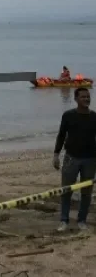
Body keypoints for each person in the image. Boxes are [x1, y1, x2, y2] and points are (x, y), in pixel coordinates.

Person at [53, 87, 96, 231]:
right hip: (71, 158)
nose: (86, 99)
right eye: (83, 97)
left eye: (88, 96)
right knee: (66, 191)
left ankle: (82, 220)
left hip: (90, 159)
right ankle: (64, 220)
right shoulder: (68, 115)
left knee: (86, 192)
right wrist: (56, 155)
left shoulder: (94, 117)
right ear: (76, 99)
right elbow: (61, 135)